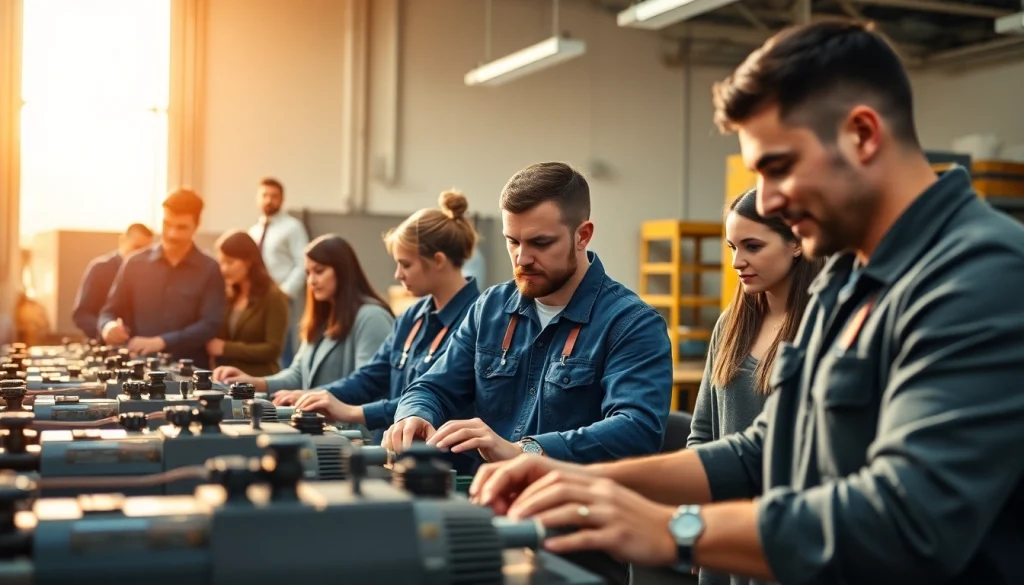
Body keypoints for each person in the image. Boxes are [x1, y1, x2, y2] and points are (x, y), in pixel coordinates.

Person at [468, 20, 1024, 585]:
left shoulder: (981, 276)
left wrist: (674, 530)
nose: (770, 199)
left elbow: (907, 522)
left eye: (778, 167)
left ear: (862, 134)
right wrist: (582, 479)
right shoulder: (847, 278)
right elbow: (766, 449)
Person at [383, 162, 673, 467]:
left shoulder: (632, 324)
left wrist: (526, 451)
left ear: (582, 236)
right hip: (482, 499)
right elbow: (432, 387)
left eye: (540, 242)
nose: (522, 258)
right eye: (512, 241)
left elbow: (637, 430)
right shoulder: (490, 308)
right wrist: (414, 413)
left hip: (568, 507)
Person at [686, 187, 822, 585]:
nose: (736, 262)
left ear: (796, 243)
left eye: (752, 246)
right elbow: (702, 433)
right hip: (721, 533)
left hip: (784, 538)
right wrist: (697, 513)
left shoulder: (822, 329)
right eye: (731, 246)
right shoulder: (730, 326)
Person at [274, 190, 481, 450]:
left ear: (438, 260)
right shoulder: (411, 317)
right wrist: (318, 396)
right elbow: (371, 377)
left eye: (405, 265)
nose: (397, 274)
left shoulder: (477, 321)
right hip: (393, 452)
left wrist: (352, 412)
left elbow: (437, 398)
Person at [212, 234, 394, 411]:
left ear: (343, 271)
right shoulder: (323, 316)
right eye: (308, 273)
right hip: (319, 427)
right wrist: (254, 382)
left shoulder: (372, 317)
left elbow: (366, 383)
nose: (312, 281)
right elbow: (298, 374)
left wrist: (306, 395)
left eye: (319, 271)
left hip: (355, 435)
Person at [99, 190, 225, 364]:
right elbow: (109, 312)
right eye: (167, 224)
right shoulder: (134, 263)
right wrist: (108, 326)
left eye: (181, 227)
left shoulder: (210, 269)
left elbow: (210, 324)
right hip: (138, 368)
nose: (172, 233)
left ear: (197, 225)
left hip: (190, 373)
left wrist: (162, 342)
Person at [205, 230, 290, 377]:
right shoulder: (229, 294)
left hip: (258, 381)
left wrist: (226, 348)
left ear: (248, 261)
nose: (224, 269)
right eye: (222, 262)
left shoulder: (273, 296)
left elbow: (273, 349)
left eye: (230, 262)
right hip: (226, 380)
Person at [248, 177, 309, 367]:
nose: (269, 200)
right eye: (264, 195)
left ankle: (282, 393)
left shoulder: (292, 227)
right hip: (256, 298)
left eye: (274, 196)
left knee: (282, 348)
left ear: (282, 199)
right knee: (256, 345)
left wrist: (286, 292)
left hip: (280, 297)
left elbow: (303, 262)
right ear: (257, 198)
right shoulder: (254, 231)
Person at [71, 223, 153, 339]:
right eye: (137, 248)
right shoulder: (99, 269)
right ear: (122, 241)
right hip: (104, 347)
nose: (141, 255)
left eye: (146, 251)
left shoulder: (149, 274)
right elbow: (81, 315)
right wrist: (106, 329)